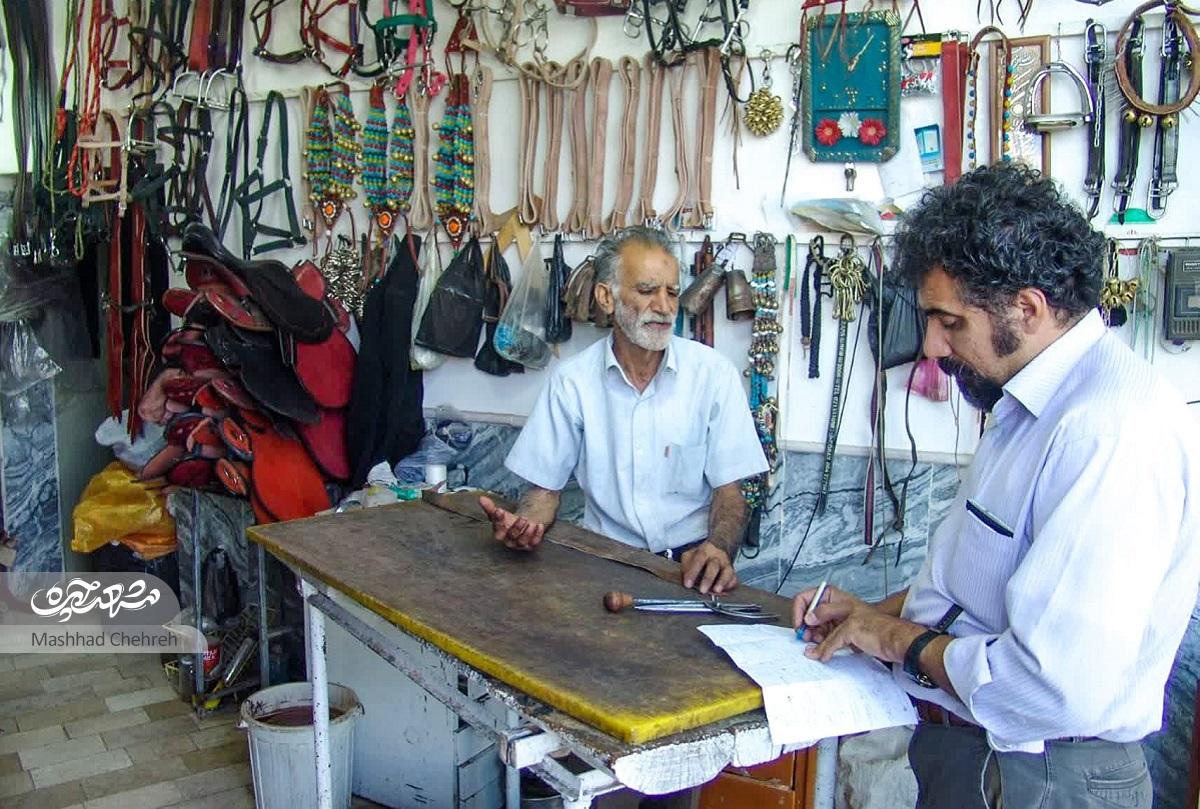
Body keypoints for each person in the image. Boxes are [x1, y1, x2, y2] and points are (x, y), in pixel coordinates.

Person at [792, 163, 1200, 808]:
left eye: (949, 321)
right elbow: (984, 584)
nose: (931, 345)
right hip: (980, 755)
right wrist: (876, 614)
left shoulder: (1106, 432)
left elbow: (1052, 688)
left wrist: (894, 639)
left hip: (1041, 776)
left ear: (1028, 308)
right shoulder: (1027, 403)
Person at [480, 226, 768, 599]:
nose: (664, 308)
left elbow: (732, 491)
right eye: (647, 291)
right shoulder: (572, 382)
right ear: (606, 297)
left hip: (691, 566)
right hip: (605, 562)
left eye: (671, 292)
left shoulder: (713, 375)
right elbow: (544, 491)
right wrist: (527, 525)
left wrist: (718, 549)